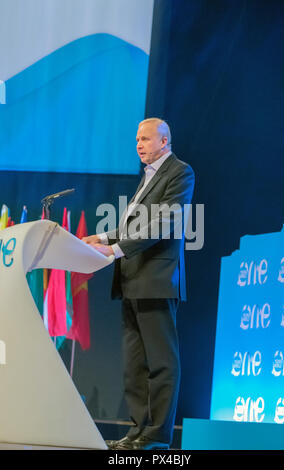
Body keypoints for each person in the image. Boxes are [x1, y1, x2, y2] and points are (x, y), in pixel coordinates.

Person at [83, 118, 195, 450]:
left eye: (145, 139)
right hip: (133, 280)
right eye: (136, 140)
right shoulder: (145, 176)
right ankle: (138, 431)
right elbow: (135, 224)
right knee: (135, 364)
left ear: (165, 141)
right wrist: (101, 237)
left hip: (157, 281)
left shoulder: (179, 172)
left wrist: (114, 249)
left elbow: (161, 224)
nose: (139, 144)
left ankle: (157, 436)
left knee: (161, 363)